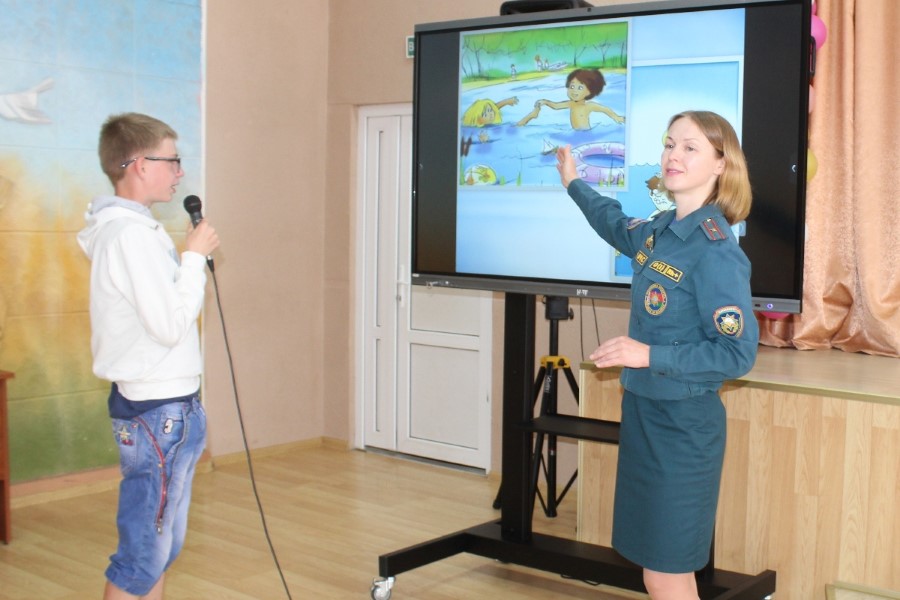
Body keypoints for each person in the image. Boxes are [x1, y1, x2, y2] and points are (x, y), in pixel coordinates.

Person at [555, 110, 759, 599]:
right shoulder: (659, 231)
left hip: (683, 427)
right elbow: (612, 221)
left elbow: (737, 353)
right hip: (643, 413)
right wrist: (573, 182)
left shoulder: (716, 250)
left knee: (668, 572)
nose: (673, 155)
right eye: (669, 144)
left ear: (720, 164)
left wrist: (649, 354)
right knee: (656, 570)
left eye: (690, 147)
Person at [77, 112, 219, 600]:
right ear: (139, 164)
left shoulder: (133, 231)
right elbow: (169, 324)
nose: (180, 171)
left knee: (159, 548)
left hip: (165, 404)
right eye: (172, 160)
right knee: (143, 554)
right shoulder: (130, 235)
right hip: (158, 410)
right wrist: (193, 258)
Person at [518, 68, 624, 129]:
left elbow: (605, 109)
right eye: (572, 86)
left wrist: (617, 117)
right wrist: (545, 102)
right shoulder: (570, 104)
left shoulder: (589, 106)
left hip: (585, 133)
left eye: (580, 88)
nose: (574, 91)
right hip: (575, 133)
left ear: (589, 91)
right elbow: (556, 106)